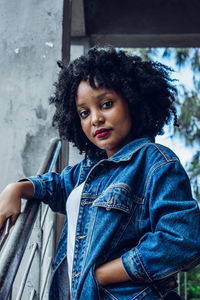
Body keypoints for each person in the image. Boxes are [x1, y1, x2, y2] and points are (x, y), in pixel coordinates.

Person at [0, 47, 200, 300]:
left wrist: (101, 274)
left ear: (132, 101)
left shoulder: (155, 161)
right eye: (84, 113)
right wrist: (17, 189)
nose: (95, 119)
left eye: (106, 104)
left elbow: (183, 239)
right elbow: (57, 186)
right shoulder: (87, 171)